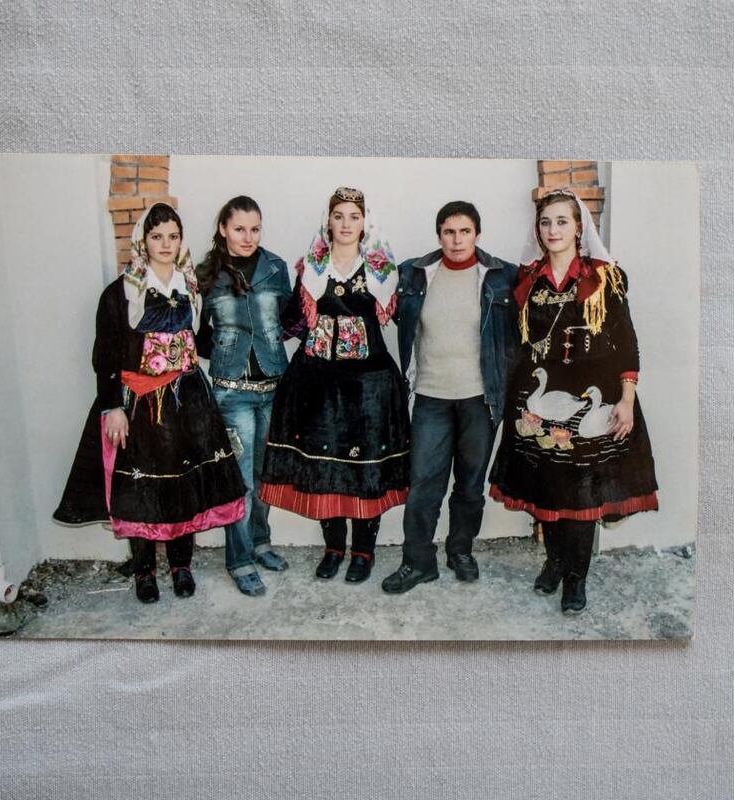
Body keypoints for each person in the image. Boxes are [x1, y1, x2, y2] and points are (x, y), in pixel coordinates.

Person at [53, 203, 246, 603]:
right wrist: (112, 408)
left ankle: (181, 567)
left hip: (188, 401)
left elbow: (203, 340)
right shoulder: (120, 293)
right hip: (138, 405)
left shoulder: (189, 286)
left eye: (173, 236)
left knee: (186, 484)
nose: (166, 244)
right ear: (143, 241)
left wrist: (239, 339)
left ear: (181, 240)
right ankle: (144, 572)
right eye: (157, 237)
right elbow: (104, 356)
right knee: (140, 490)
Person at [489, 189, 658, 614]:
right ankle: (555, 560)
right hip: (538, 400)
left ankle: (576, 579)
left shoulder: (606, 277)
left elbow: (626, 341)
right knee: (547, 486)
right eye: (546, 223)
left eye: (562, 221)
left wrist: (626, 399)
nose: (553, 230)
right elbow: (521, 345)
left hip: (591, 402)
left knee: (581, 494)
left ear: (579, 227)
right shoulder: (528, 280)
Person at [260, 187, 410, 583]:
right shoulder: (310, 267)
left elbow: (404, 319)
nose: (345, 224)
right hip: (317, 383)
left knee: (366, 469)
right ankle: (333, 547)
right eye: (338, 216)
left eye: (353, 217)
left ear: (365, 223)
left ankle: (363, 552)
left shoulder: (382, 271)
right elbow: (292, 322)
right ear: (328, 221)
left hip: (369, 384)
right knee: (323, 464)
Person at [381, 201, 518, 594]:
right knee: (423, 484)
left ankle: (461, 551)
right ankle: (418, 562)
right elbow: (380, 304)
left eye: (465, 232)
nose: (457, 240)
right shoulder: (414, 273)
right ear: (438, 234)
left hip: (481, 400)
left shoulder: (500, 276)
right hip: (430, 399)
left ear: (478, 234)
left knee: (470, 485)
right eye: (448, 232)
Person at [196, 196, 292, 597]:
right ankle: (239, 560)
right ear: (223, 229)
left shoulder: (276, 269)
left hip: (273, 388)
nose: (248, 237)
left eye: (255, 228)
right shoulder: (205, 276)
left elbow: (286, 321)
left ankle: (261, 542)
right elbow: (199, 335)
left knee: (264, 477)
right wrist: (228, 351)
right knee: (241, 482)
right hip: (232, 393)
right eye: (239, 229)